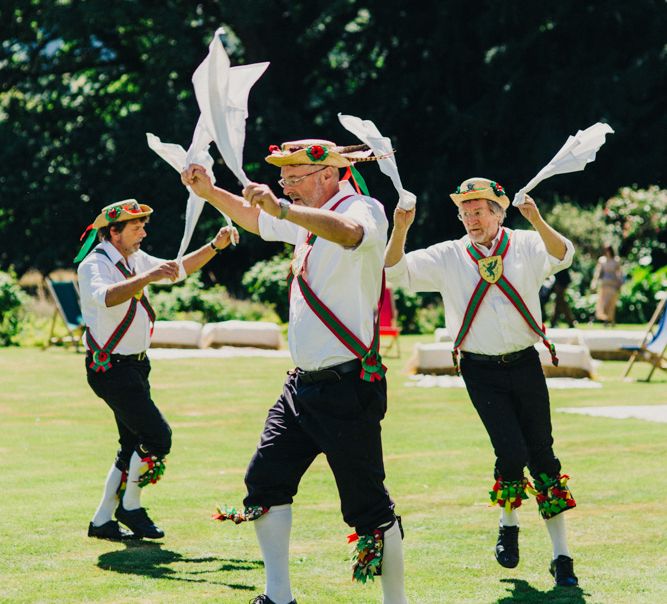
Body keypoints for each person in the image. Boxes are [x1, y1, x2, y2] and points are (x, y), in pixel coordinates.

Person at [181, 140, 407, 604]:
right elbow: (258, 219)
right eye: (283, 179)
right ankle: (278, 597)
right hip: (301, 387)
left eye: (294, 176)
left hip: (349, 387)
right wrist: (209, 192)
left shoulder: (363, 209)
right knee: (265, 481)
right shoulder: (301, 218)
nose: (285, 185)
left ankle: (395, 601)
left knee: (368, 507)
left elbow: (347, 233)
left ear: (328, 175)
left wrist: (284, 207)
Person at [385, 177, 579, 587]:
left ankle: (562, 557)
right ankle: (509, 524)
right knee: (510, 451)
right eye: (465, 211)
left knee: (543, 455)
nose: (471, 219)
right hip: (479, 369)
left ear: (498, 212)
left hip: (525, 363)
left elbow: (564, 255)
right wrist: (400, 227)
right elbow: (394, 273)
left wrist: (538, 219)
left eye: (479, 210)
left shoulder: (525, 243)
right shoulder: (449, 254)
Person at [76, 198, 238, 541]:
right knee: (157, 437)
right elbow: (105, 297)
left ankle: (103, 520)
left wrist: (214, 246)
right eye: (137, 227)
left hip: (135, 367)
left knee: (131, 444)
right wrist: (147, 275)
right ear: (113, 231)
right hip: (111, 369)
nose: (144, 233)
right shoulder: (95, 264)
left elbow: (176, 270)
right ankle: (130, 508)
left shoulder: (133, 258)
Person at [592, 244, 623, 326]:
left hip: (613, 284)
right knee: (603, 303)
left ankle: (612, 320)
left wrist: (620, 283)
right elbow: (598, 272)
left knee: (611, 303)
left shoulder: (616, 260)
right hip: (604, 284)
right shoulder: (602, 260)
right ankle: (605, 320)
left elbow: (619, 273)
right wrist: (594, 282)